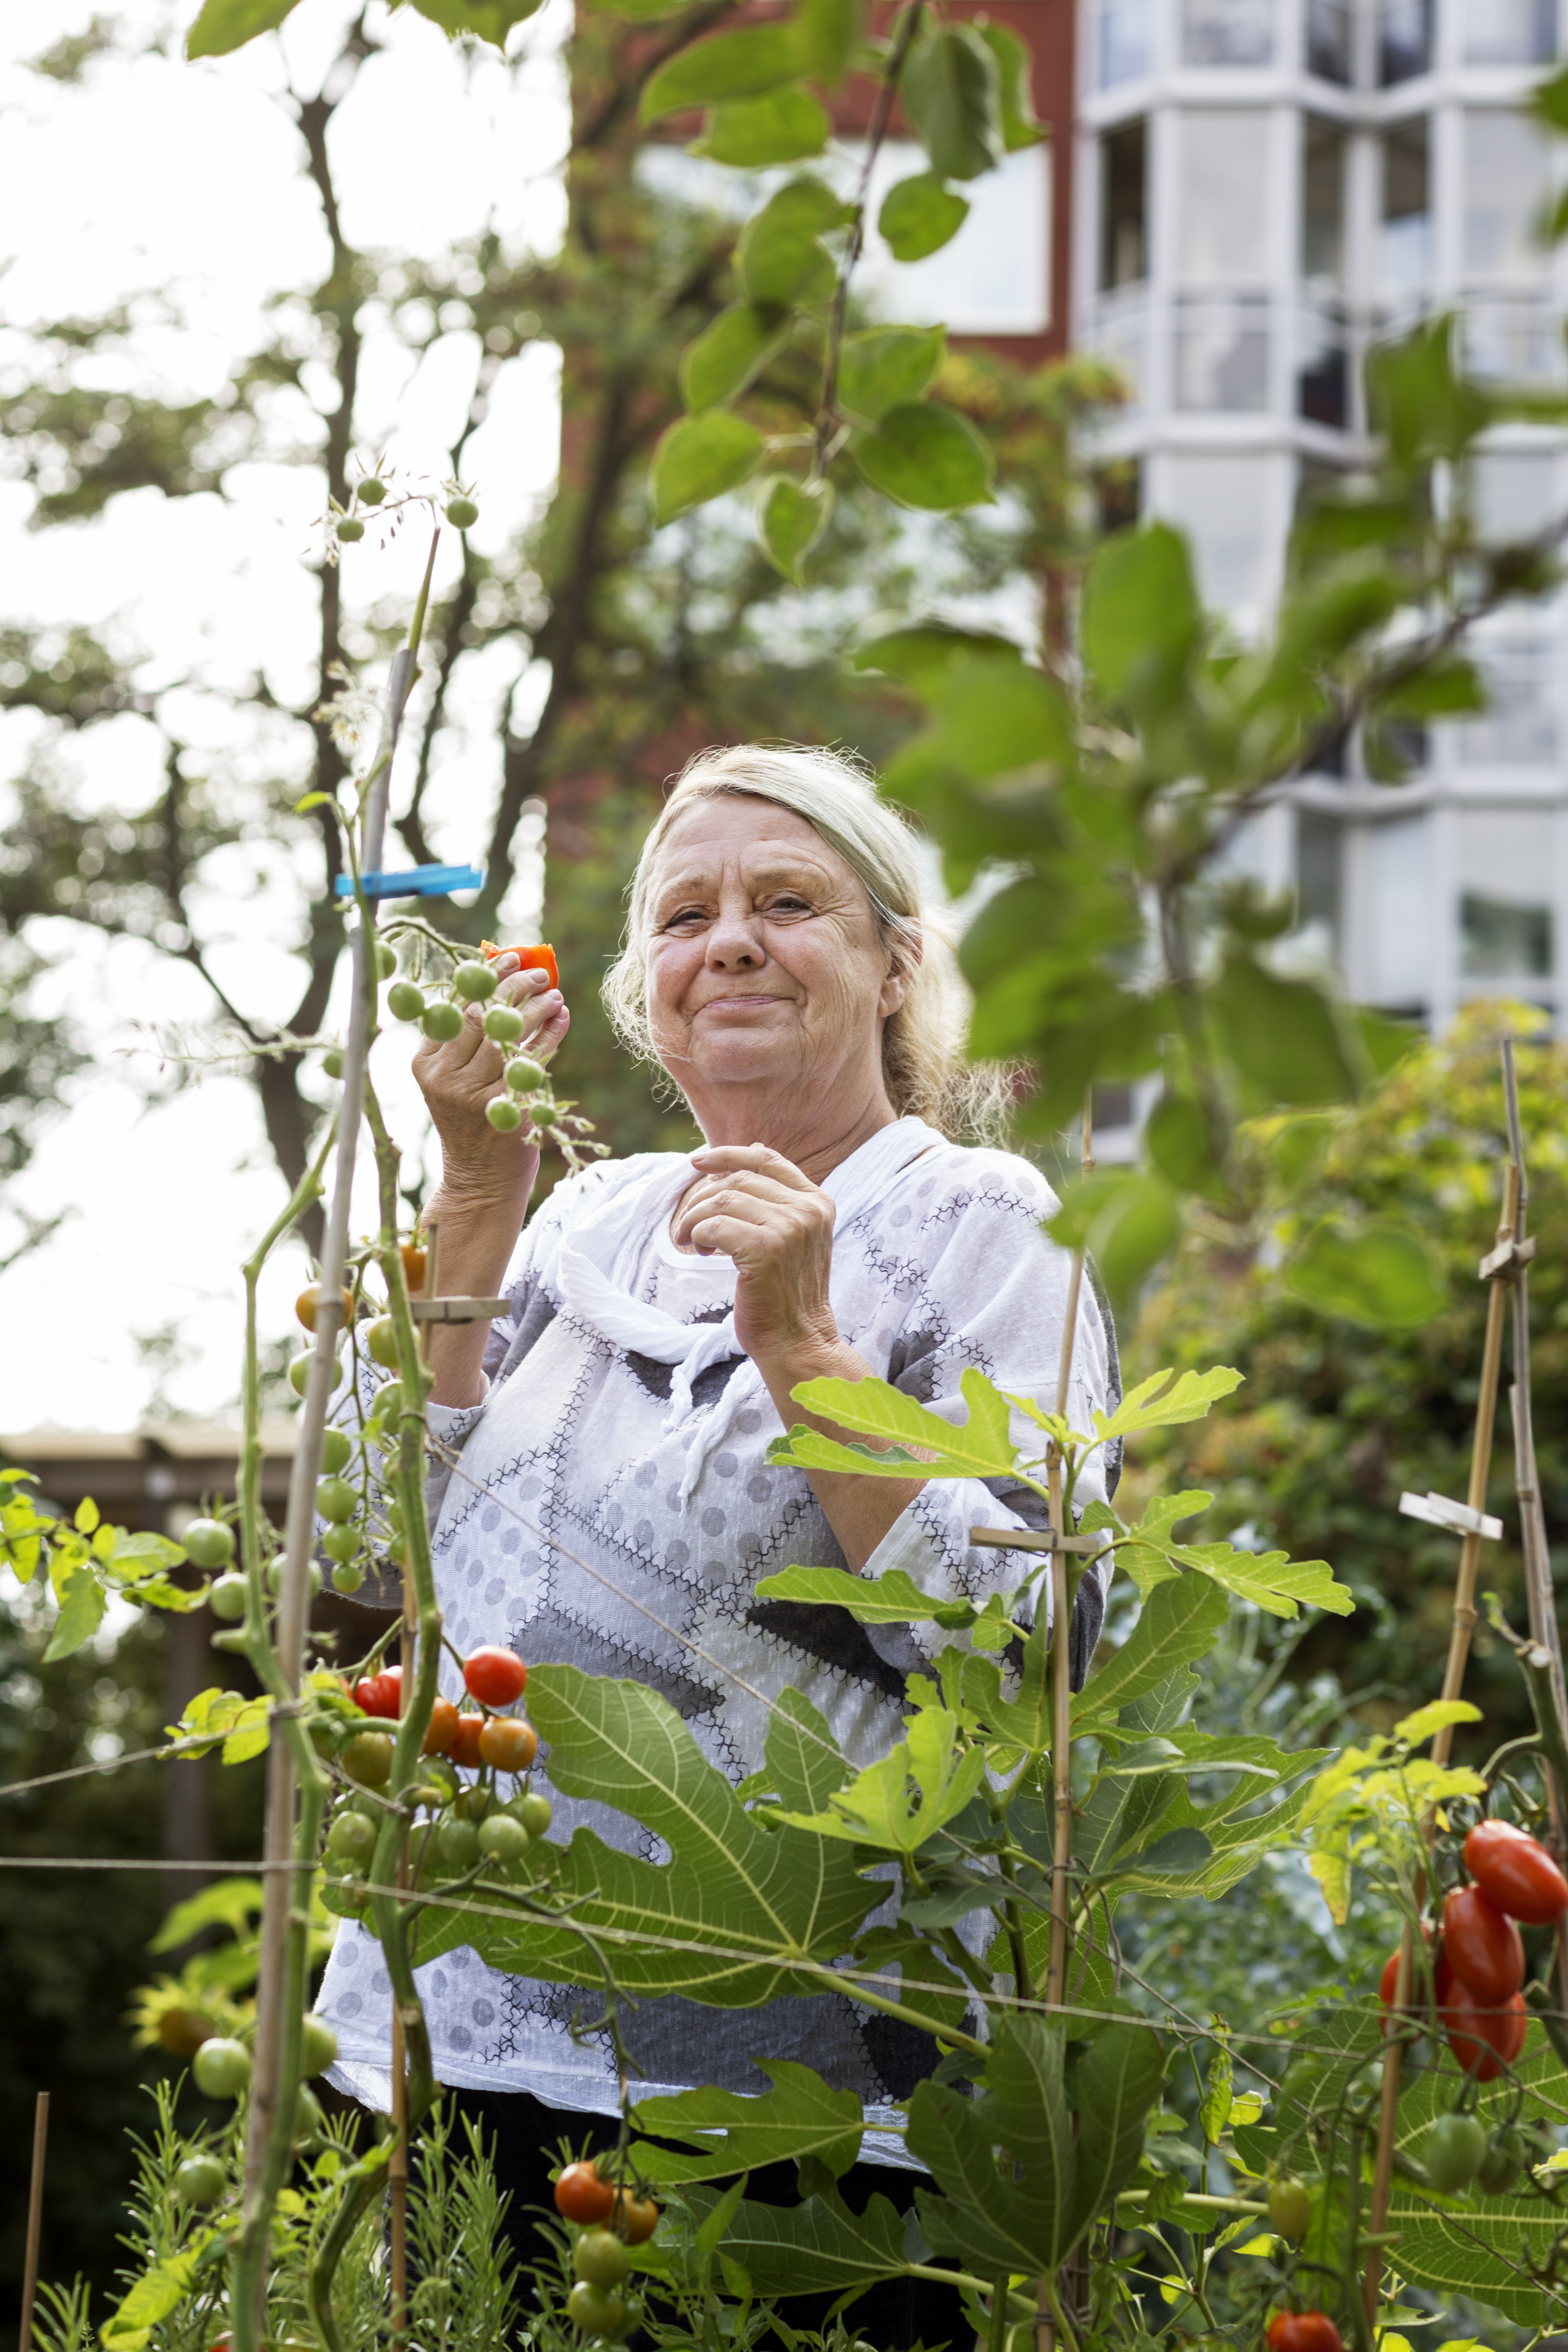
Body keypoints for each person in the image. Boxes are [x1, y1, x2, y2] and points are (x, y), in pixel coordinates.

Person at [318, 744, 1118, 2333]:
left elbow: (1037, 1647)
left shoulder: (987, 1227)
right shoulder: (572, 1225)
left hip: (804, 2112)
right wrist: (475, 1193)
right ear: (642, 988)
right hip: (453, 2040)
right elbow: (354, 1543)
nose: (731, 940)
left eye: (788, 902)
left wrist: (810, 1356)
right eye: (686, 914)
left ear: (896, 964)